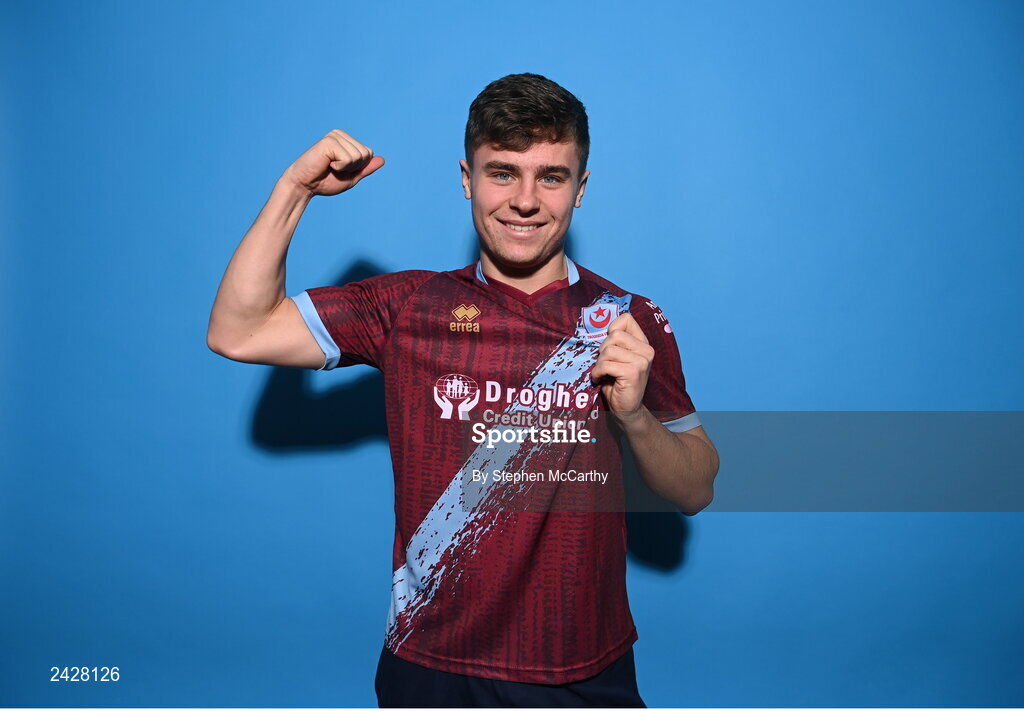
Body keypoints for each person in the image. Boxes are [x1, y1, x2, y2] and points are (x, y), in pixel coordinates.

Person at [207, 73, 719, 708]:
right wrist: (295, 191)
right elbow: (240, 329)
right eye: (502, 172)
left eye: (551, 177)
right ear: (466, 178)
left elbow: (696, 489)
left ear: (581, 189)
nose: (526, 200)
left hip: (581, 668)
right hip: (432, 665)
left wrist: (636, 417)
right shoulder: (408, 305)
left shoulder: (627, 319)